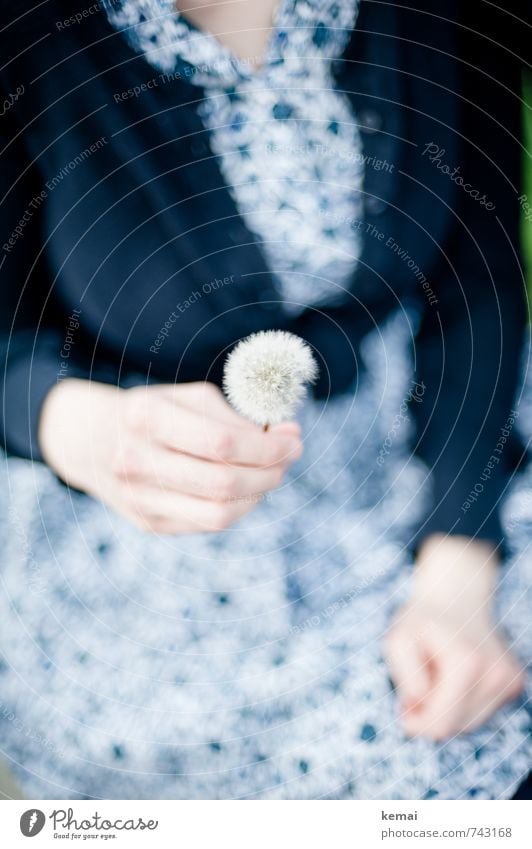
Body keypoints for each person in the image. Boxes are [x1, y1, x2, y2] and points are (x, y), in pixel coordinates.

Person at [0, 0, 529, 799]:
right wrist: (69, 421)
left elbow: (477, 265)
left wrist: (460, 561)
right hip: (137, 512)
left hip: (444, 421)